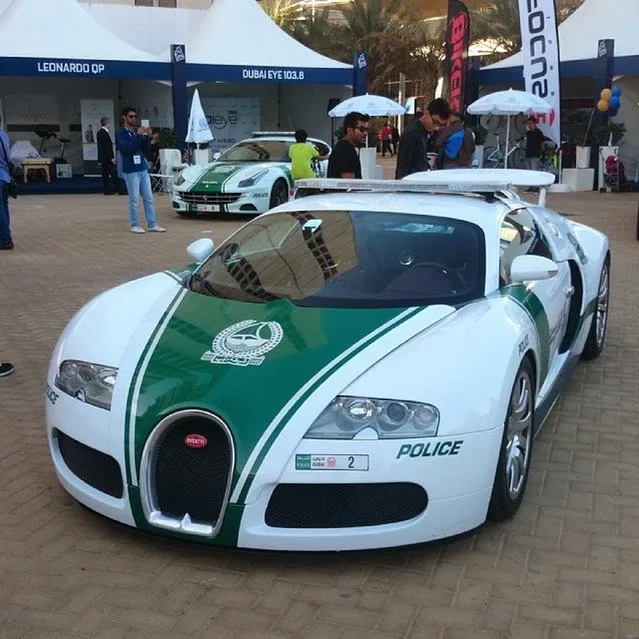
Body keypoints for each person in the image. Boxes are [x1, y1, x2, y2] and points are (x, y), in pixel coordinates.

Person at [115, 106, 166, 234]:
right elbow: (127, 149)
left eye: (135, 116)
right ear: (124, 117)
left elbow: (145, 149)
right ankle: (135, 224)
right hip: (131, 169)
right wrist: (138, 136)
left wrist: (147, 137)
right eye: (131, 116)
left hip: (142, 167)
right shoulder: (120, 133)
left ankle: (152, 223)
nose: (133, 119)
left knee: (148, 197)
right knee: (134, 198)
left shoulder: (138, 130)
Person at [395, 98, 451, 179]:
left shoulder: (424, 131)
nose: (437, 128)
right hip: (410, 186)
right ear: (426, 113)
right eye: (435, 122)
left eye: (441, 125)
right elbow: (403, 167)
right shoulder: (413, 132)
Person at [327, 111, 369, 179]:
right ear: (349, 130)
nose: (365, 133)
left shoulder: (346, 148)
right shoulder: (344, 150)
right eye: (362, 129)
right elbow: (349, 184)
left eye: (366, 129)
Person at [97, 117, 125, 196]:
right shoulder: (104, 133)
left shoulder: (99, 133)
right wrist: (112, 157)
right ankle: (120, 190)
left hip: (103, 158)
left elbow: (100, 147)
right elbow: (107, 147)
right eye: (109, 123)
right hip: (108, 158)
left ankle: (106, 190)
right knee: (114, 174)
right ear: (107, 123)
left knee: (105, 174)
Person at [0, 115, 13, 250]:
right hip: (4, 176)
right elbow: (8, 157)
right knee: (4, 207)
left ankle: (5, 239)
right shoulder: (4, 136)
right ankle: (6, 235)